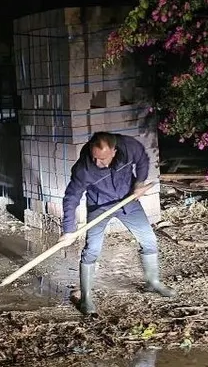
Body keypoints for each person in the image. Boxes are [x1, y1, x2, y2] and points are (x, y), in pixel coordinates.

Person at [59, 131, 175, 315]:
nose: (98, 163)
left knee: (149, 240)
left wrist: (139, 183)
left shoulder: (128, 146)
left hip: (128, 201)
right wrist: (68, 230)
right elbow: (71, 198)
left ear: (114, 151)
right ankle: (86, 298)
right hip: (99, 206)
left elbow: (142, 160)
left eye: (103, 159)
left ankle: (153, 282)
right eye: (95, 158)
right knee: (92, 250)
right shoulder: (84, 169)